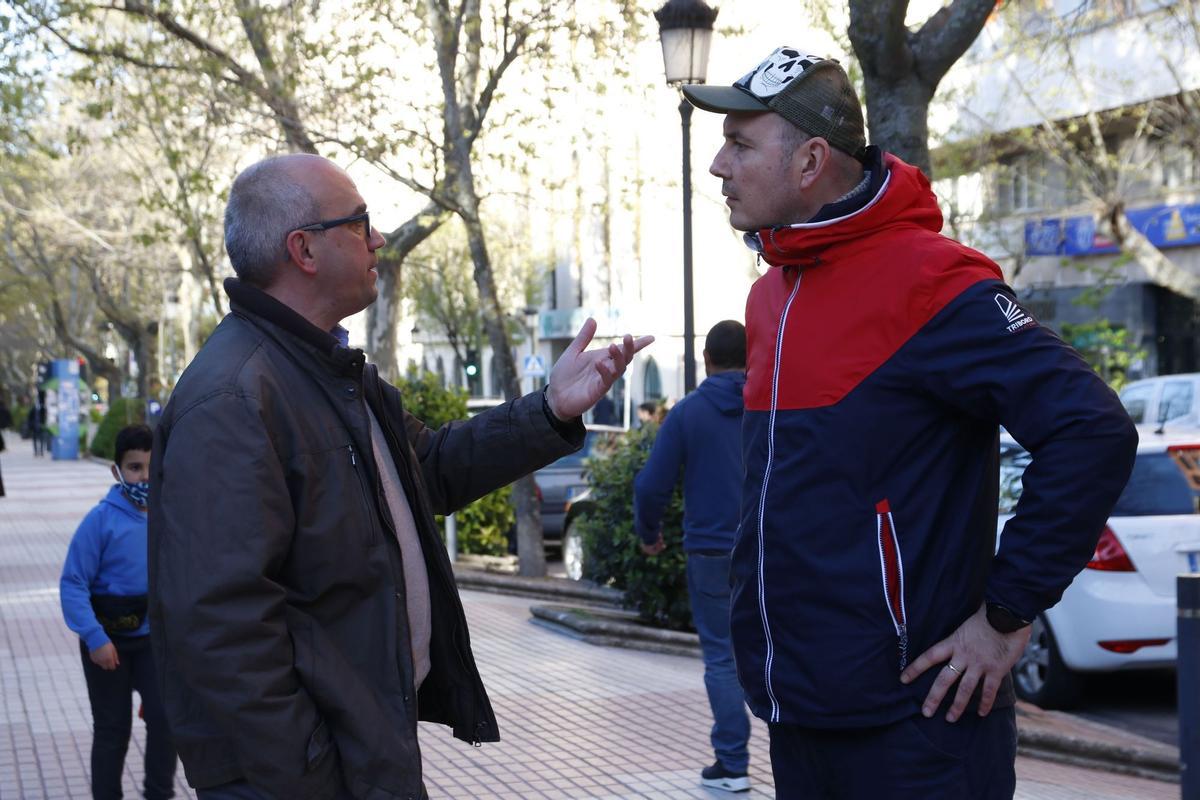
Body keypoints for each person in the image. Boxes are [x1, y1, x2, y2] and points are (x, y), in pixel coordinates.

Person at [682, 46, 1138, 799]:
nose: (718, 168)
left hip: (917, 725)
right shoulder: (772, 295)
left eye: (739, 143)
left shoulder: (932, 279)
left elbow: (1093, 431)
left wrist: (1006, 615)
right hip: (800, 716)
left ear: (810, 161)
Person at [148, 153, 652, 800]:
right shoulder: (235, 398)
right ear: (303, 249)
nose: (379, 238)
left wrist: (550, 410)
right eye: (359, 223)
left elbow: (430, 470)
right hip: (306, 776)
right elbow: (221, 630)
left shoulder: (328, 372)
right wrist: (314, 769)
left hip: (363, 749)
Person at [634, 320, 751, 793]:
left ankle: (733, 764)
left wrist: (649, 533)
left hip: (709, 551)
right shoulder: (773, 404)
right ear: (752, 355)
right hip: (768, 549)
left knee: (722, 658)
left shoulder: (688, 413)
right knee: (781, 651)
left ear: (707, 359)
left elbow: (650, 484)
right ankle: (799, 763)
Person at [61, 424, 177, 800]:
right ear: (116, 471)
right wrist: (94, 637)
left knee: (166, 719)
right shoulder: (100, 522)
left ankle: (159, 793)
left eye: (150, 466)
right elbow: (73, 583)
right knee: (113, 730)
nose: (144, 476)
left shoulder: (169, 517)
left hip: (151, 644)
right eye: (134, 468)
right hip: (106, 644)